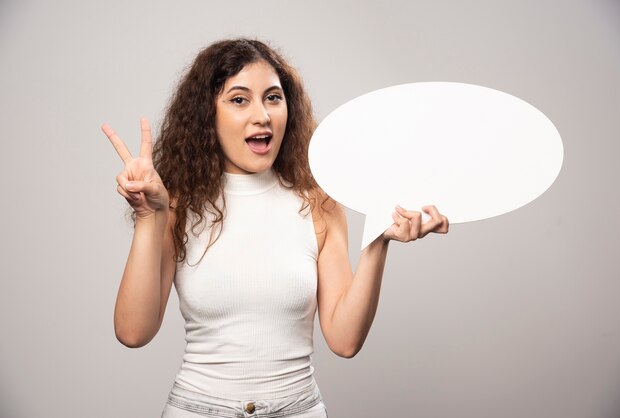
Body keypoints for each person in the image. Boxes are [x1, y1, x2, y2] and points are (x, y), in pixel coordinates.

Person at [102, 38, 449, 418]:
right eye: (239, 99)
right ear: (207, 115)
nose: (262, 115)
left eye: (272, 97)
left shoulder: (319, 202)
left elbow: (345, 339)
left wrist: (378, 240)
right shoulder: (177, 205)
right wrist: (148, 217)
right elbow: (133, 332)